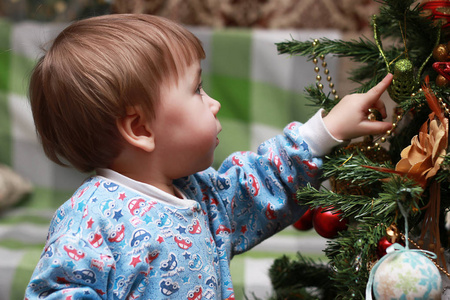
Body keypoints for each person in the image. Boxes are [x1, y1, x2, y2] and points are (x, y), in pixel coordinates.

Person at [24, 14, 393, 299]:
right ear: (140, 129)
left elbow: (262, 182)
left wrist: (326, 131)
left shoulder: (203, 196)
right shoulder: (90, 220)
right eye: (196, 89)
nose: (214, 103)